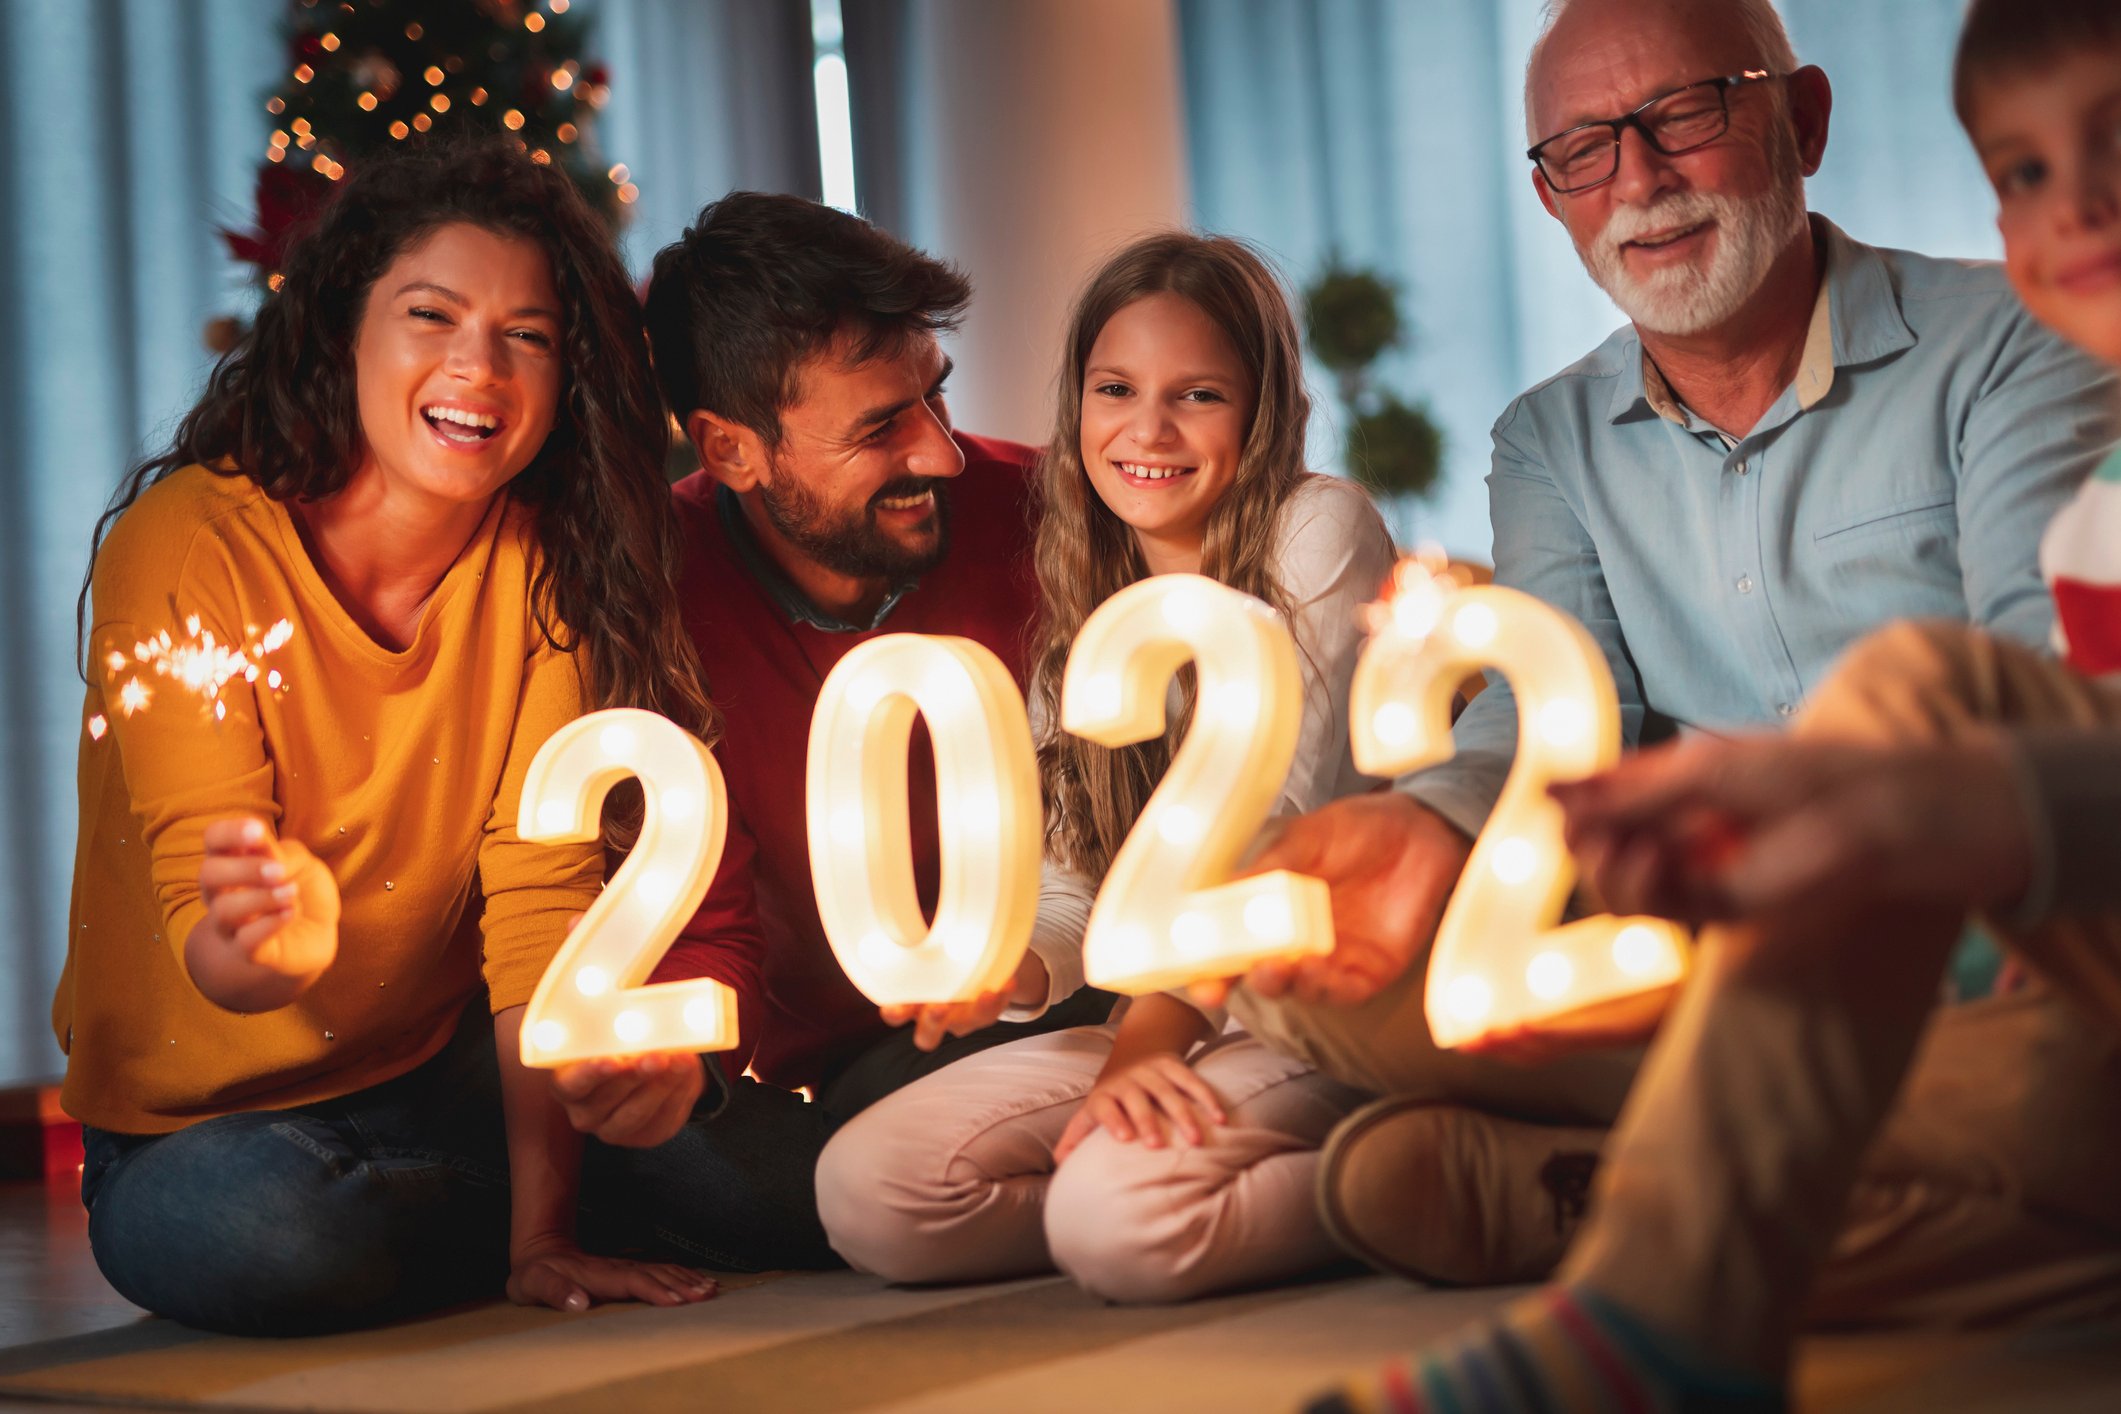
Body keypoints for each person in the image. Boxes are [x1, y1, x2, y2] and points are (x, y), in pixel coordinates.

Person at [1207, 0, 2121, 1288]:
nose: (1638, 179)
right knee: (1294, 966)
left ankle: (1617, 1202)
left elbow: (2051, 684)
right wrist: (1427, 827)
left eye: (1685, 114)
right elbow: (1544, 714)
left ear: (1802, 121)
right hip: (1699, 951)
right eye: (1583, 149)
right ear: (1551, 198)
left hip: (1963, 944)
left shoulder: (2019, 336)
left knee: (2073, 1085)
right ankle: (1818, 1159)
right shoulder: (1545, 440)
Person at [59, 141, 830, 1338]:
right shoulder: (188, 543)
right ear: (341, 329)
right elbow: (206, 926)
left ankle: (532, 1202)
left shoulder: (546, 563)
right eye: (431, 315)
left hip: (443, 1072)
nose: (480, 366)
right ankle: (552, 1199)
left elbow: (536, 904)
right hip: (200, 1126)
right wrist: (259, 944)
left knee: (785, 1191)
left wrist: (544, 1236)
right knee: (281, 1240)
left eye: (529, 335)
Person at [815, 234, 1397, 1302]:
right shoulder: (1081, 613)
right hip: (1158, 1019)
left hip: (1326, 1010)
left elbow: (1274, 831)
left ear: (1261, 410)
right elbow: (1075, 886)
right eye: (1116, 389)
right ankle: (1143, 1199)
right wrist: (1007, 972)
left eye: (1199, 395)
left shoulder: (1320, 529)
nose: (1149, 430)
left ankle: (1402, 1164)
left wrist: (1147, 1047)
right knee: (869, 1192)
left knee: (1120, 1220)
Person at [633, 194, 1110, 1145]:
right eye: (880, 425)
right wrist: (671, 1065)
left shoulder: (1055, 512)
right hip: (873, 1067)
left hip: (1108, 989)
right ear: (731, 449)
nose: (941, 451)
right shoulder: (654, 595)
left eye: (936, 394)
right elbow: (698, 920)